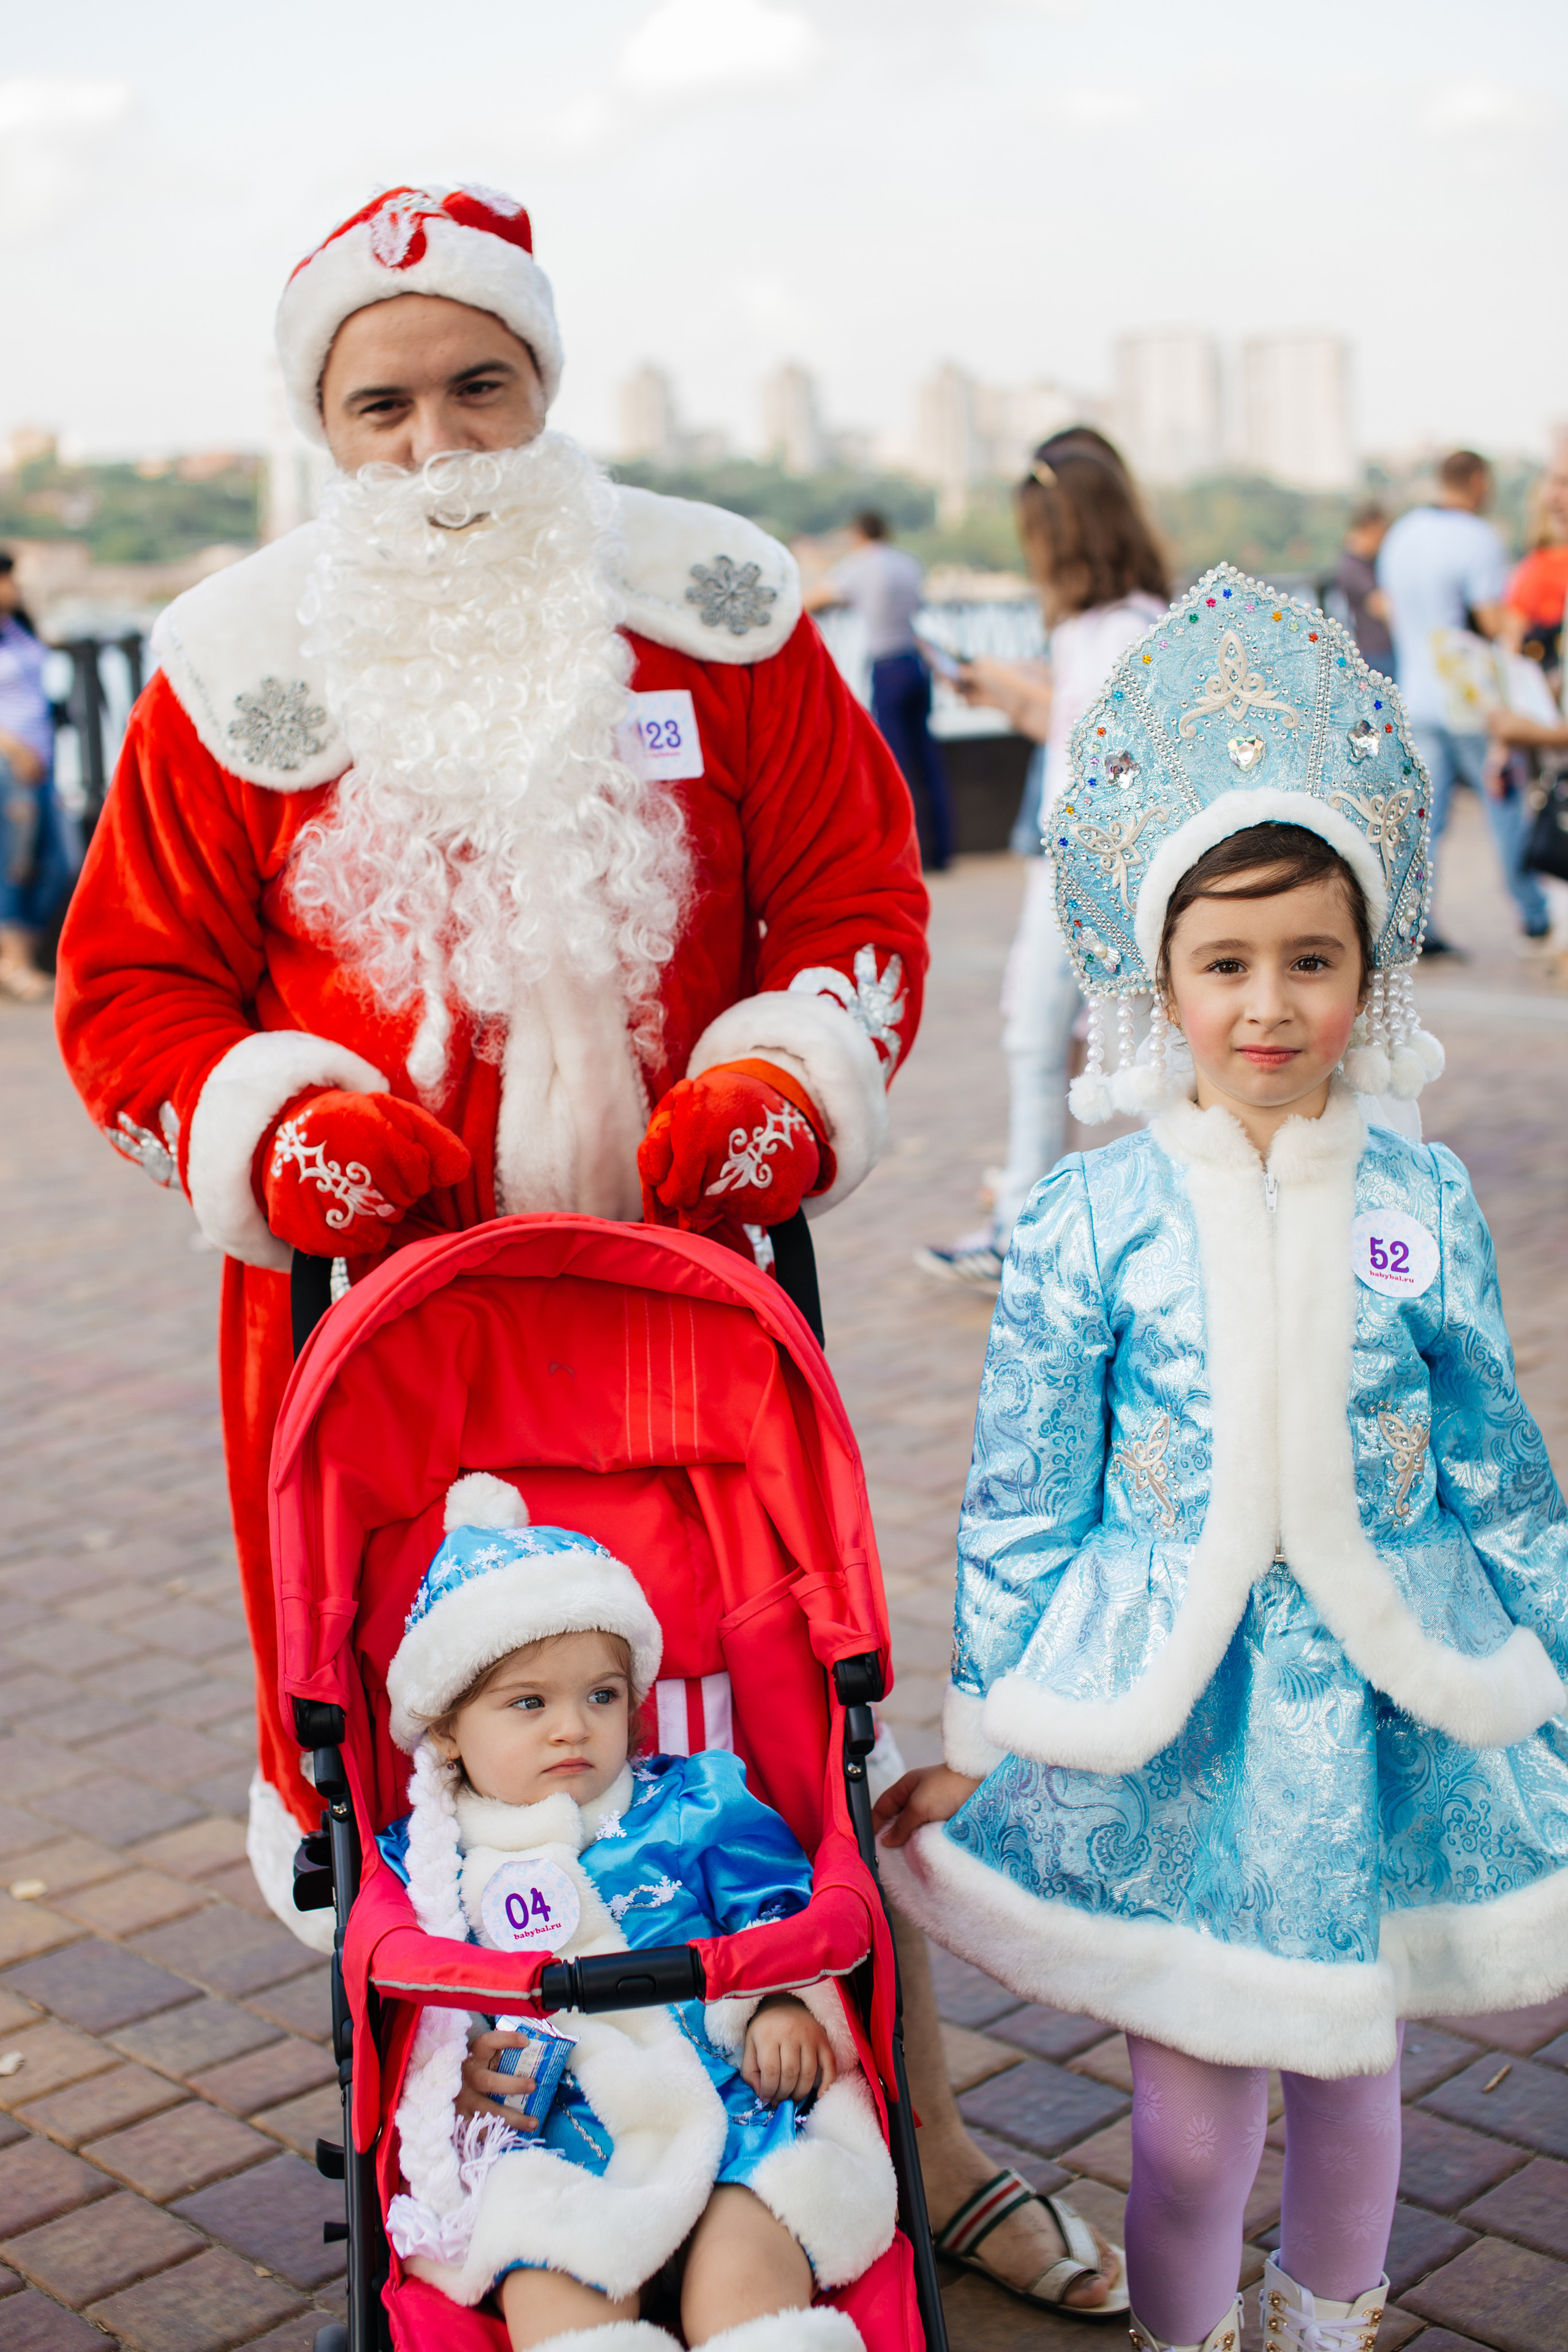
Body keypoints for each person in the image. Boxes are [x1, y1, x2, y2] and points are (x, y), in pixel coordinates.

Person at [53, 183, 928, 1945]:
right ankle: (444, 2122)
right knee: (385, 1709)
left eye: (479, 388)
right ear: (322, 428)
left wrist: (790, 1085)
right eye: (382, 407)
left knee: (757, 1685)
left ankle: (842, 2096)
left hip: (691, 1303)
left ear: (544, 385)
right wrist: (280, 1130)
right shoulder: (231, 667)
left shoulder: (724, 610)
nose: (437, 445)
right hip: (368, 1331)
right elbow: (131, 989)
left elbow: (858, 899)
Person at [876, 564, 1568, 2352]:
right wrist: (983, 1730)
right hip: (1169, 1727)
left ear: (1368, 966)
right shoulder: (1091, 1212)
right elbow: (1025, 1490)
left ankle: (1324, 2321)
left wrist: (1555, 1669)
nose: (1269, 1003)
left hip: (1376, 1718)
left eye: (1312, 959)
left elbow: (1498, 1465)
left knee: (1355, 2081)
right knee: (1185, 2126)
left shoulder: (1418, 1198)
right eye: (1225, 961)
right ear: (1157, 975)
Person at [375, 1473, 895, 2352]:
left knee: (752, 2271)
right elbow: (411, 1996)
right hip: (556, 2137)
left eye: (602, 1697)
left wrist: (774, 2002)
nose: (572, 1728)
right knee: (551, 2275)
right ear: (450, 1730)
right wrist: (453, 2067)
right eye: (529, 1703)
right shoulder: (431, 1860)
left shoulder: (694, 1802)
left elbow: (780, 1910)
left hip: (737, 2110)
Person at [916, 430, 1167, 1289]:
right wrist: (1005, 690)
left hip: (1082, 868)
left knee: (1060, 1045)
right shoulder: (1124, 626)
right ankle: (1049, 1213)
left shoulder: (1112, 630)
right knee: (1076, 1046)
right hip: (1083, 863)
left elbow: (1099, 756)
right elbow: (1075, 731)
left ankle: (1035, 1220)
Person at [1376, 448, 1550, 949]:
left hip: (1417, 695)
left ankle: (1414, 926)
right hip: (1472, 703)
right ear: (1477, 481)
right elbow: (1498, 624)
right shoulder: (1478, 539)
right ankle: (1534, 912)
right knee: (1506, 806)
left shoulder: (1402, 534)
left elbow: (1390, 608)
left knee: (1425, 822)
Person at [805, 511, 954, 871]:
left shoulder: (858, 565)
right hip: (916, 664)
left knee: (895, 762)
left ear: (857, 533)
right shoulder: (908, 563)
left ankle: (909, 850)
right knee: (927, 757)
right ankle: (942, 849)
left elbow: (813, 600)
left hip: (887, 667)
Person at [0, 551, 61, 1002]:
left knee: (57, 862)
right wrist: (14, 749)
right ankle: (15, 963)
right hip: (11, 763)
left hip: (42, 760)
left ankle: (27, 956)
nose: (13, 587)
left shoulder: (17, 629)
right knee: (15, 863)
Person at [1501, 448, 1568, 675]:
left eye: (1565, 483)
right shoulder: (1533, 569)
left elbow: (1511, 646)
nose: (1552, 499)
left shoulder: (1531, 571)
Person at [1332, 503, 1393, 677]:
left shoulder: (1364, 563)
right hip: (1378, 653)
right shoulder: (1354, 567)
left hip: (1378, 651)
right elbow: (1380, 607)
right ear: (1371, 528)